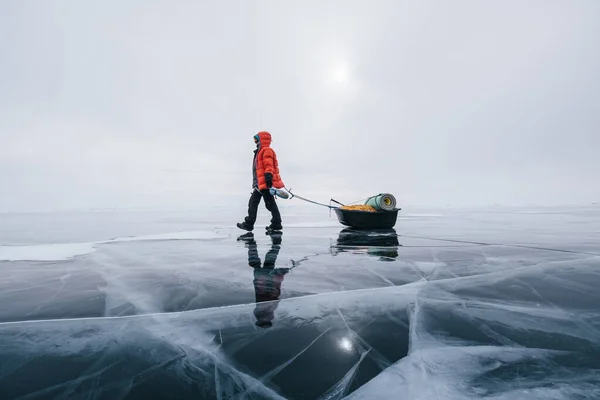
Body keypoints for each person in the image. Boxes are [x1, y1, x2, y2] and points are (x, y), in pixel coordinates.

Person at [237, 232, 290, 328]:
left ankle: (275, 240)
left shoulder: (267, 308)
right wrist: (279, 274)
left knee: (265, 261)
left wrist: (279, 274)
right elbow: (275, 290)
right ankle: (273, 240)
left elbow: (276, 290)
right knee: (261, 262)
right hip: (264, 278)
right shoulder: (268, 307)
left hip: (263, 278)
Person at [237, 131, 285, 232]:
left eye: (256, 138)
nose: (255, 141)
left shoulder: (266, 150)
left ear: (262, 139)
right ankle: (273, 223)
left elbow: (269, 165)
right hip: (260, 183)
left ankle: (253, 223)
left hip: (265, 182)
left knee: (265, 203)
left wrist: (268, 176)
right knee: (257, 203)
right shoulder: (259, 152)